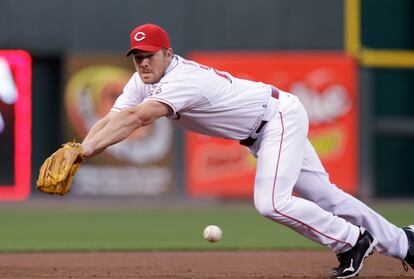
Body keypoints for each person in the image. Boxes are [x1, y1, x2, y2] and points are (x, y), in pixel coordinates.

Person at [80, 23, 414, 278]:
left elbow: (138, 117)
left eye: (150, 55)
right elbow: (113, 117)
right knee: (327, 196)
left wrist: (86, 152)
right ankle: (405, 243)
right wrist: (81, 149)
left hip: (277, 119)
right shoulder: (142, 80)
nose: (142, 63)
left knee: (272, 203)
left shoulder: (183, 79)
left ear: (168, 54)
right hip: (267, 126)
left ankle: (352, 240)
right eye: (137, 57)